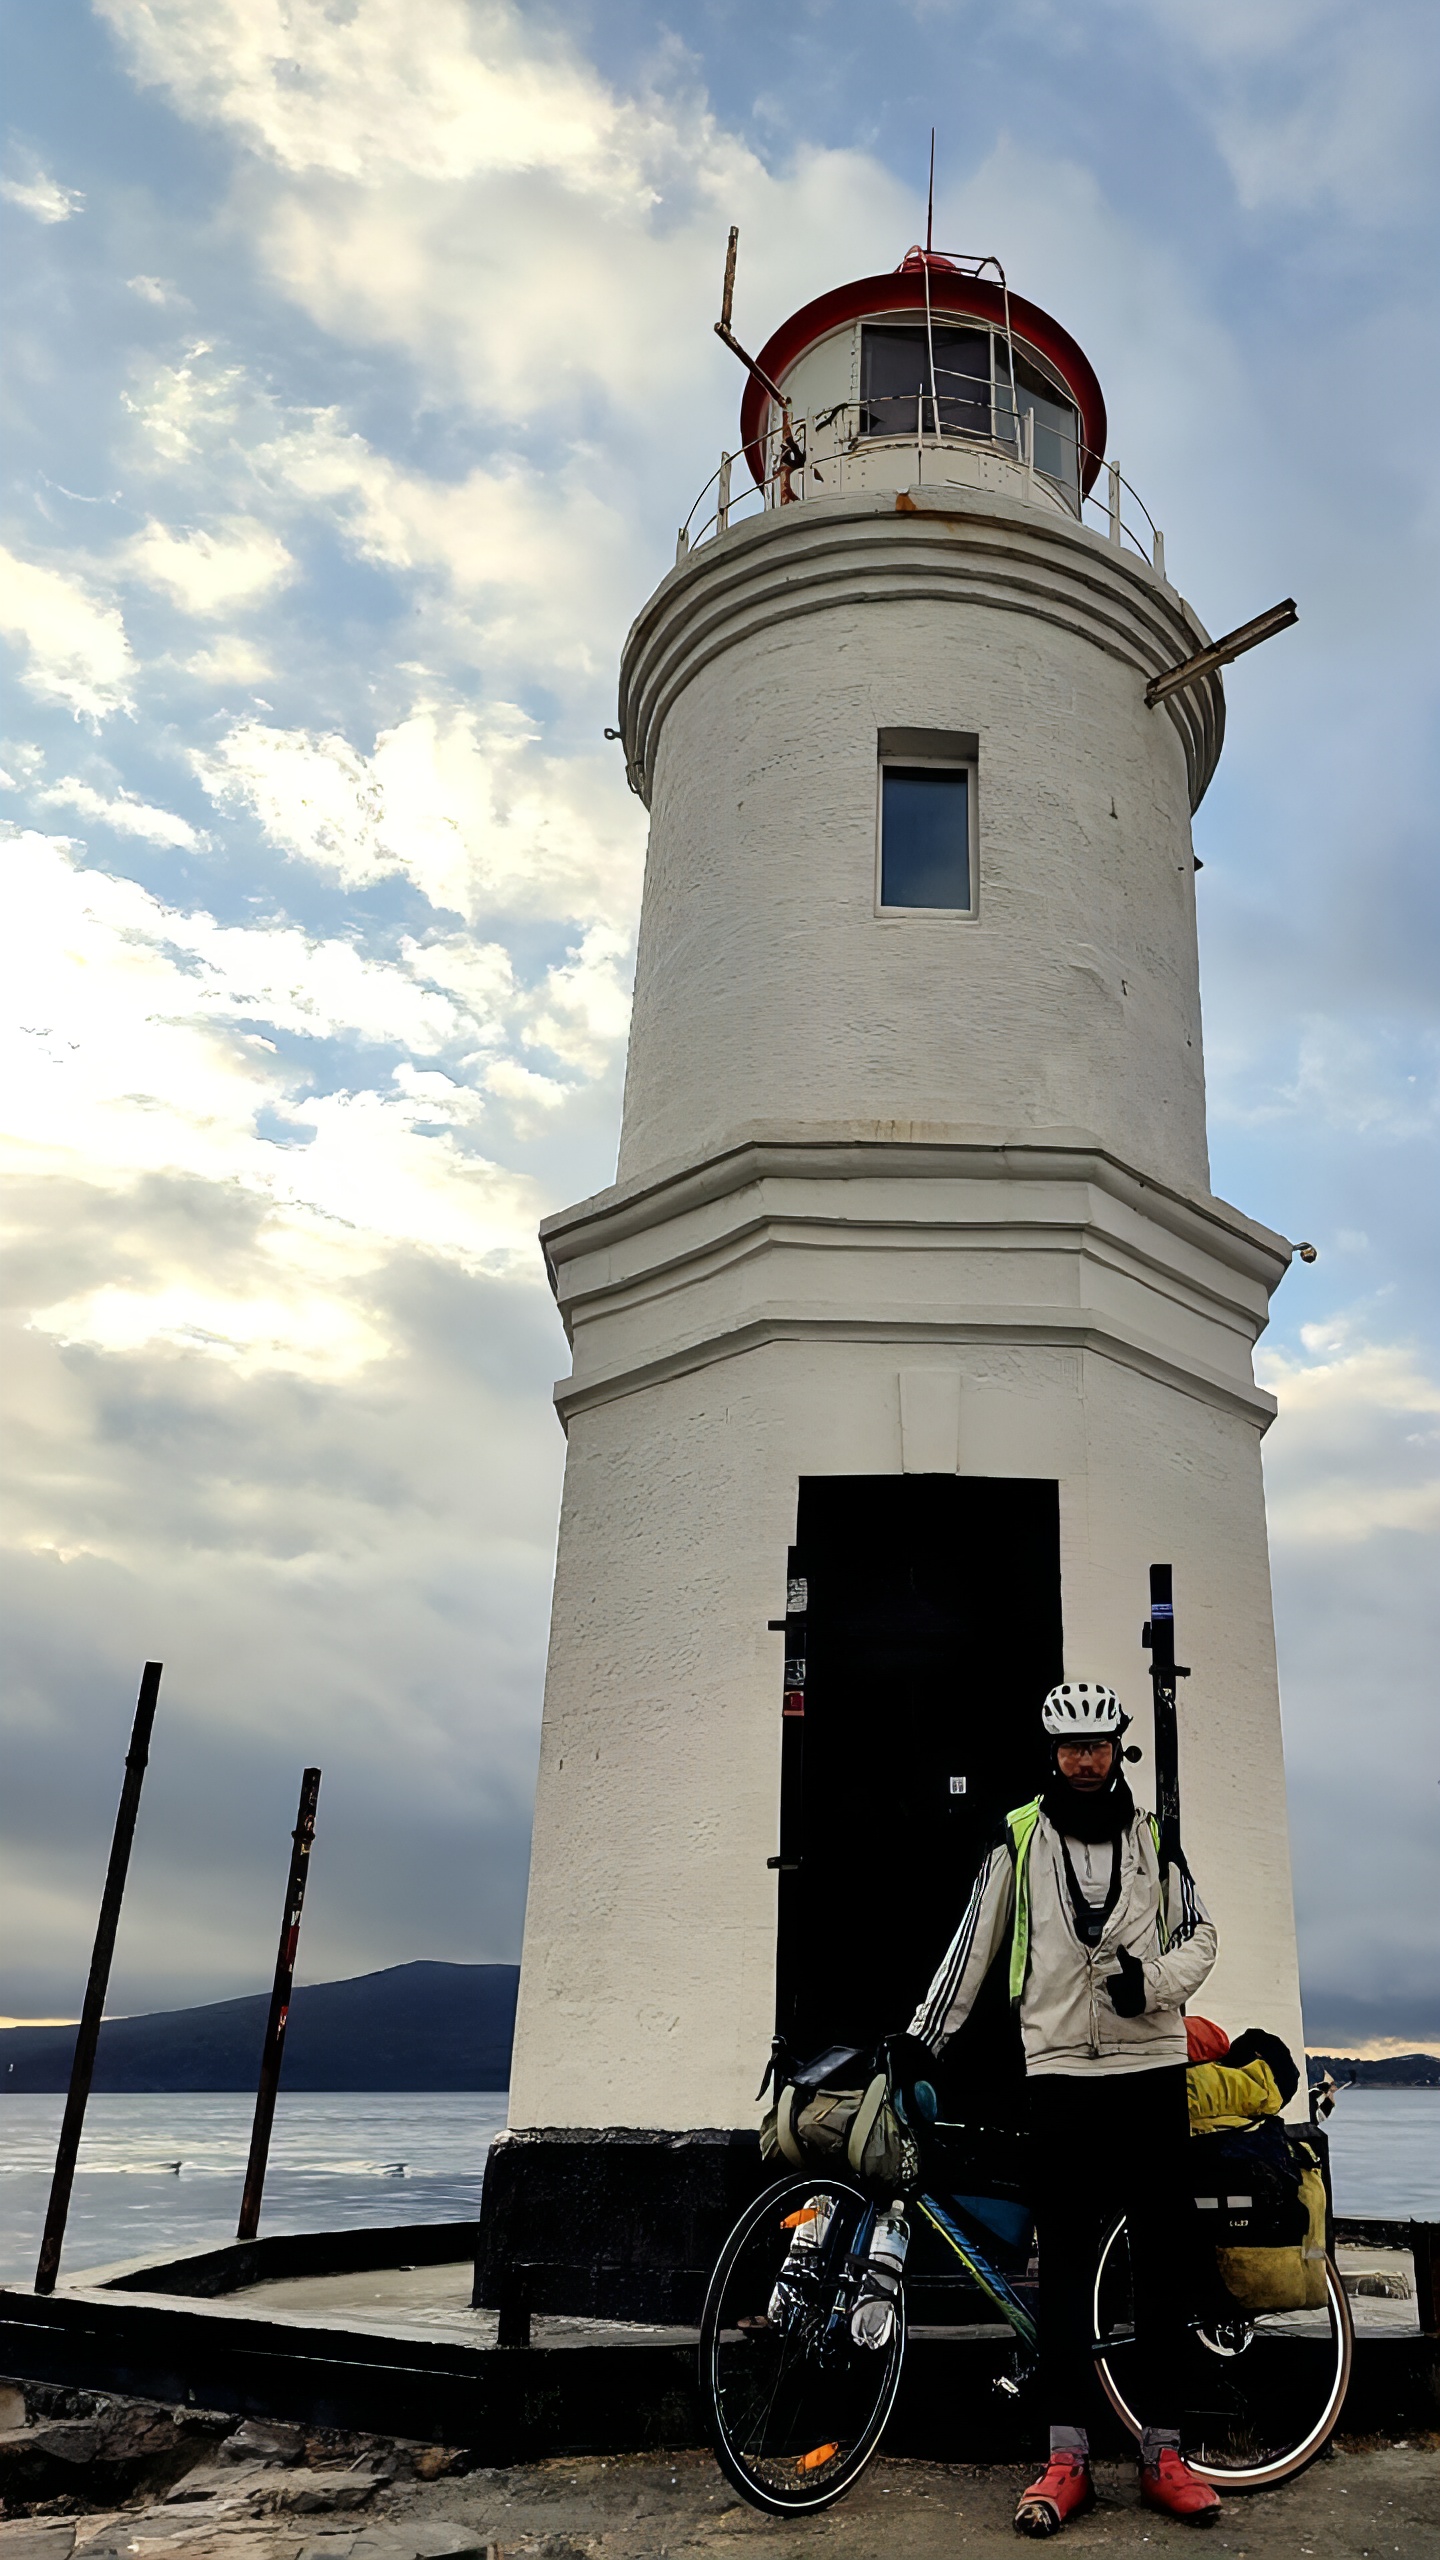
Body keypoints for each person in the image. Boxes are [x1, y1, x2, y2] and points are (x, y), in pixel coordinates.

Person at [897, 1680, 1223, 2534]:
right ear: (1052, 1754)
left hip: (1149, 2072)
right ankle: (1066, 2456)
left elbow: (1203, 1937)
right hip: (1060, 2079)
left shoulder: (1156, 1838)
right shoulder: (1018, 1837)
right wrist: (920, 2038)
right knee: (1068, 2270)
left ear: (1118, 1749)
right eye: (1071, 1747)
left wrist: (1147, 1984)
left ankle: (1164, 2452)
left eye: (1100, 1745)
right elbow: (973, 1945)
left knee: (1160, 2268)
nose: (1086, 1760)